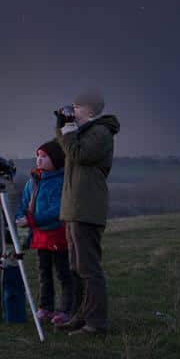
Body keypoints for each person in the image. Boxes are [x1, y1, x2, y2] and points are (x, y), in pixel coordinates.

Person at [54, 90, 121, 336]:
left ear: (90, 111)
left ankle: (96, 323)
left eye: (77, 107)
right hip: (74, 208)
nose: (73, 110)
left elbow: (79, 154)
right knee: (76, 267)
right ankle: (80, 316)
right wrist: (62, 125)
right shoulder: (83, 133)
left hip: (87, 208)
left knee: (89, 269)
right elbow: (65, 147)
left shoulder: (101, 133)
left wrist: (69, 130)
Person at [15, 140, 73, 326]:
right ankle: (45, 308)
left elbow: (57, 210)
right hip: (40, 236)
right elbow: (24, 205)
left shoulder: (61, 182)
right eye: (38, 156)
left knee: (63, 274)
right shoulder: (33, 181)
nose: (39, 160)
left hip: (57, 234)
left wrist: (32, 220)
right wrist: (20, 218)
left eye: (44, 156)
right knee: (43, 273)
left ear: (56, 158)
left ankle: (66, 310)